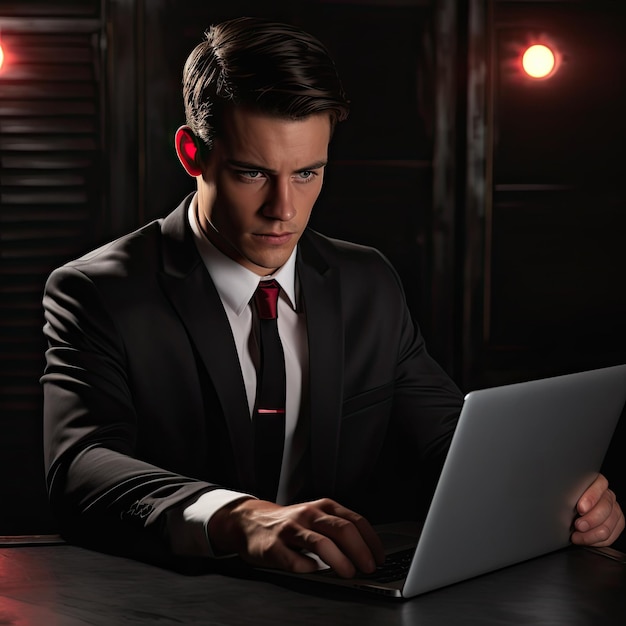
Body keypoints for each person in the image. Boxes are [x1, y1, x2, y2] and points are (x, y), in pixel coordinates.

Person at [41, 16, 624, 577]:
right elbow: (79, 469)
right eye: (252, 174)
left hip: (343, 599)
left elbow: (448, 438)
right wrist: (239, 519)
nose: (284, 210)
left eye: (307, 173)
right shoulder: (97, 292)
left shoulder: (366, 283)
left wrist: (551, 494)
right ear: (193, 154)